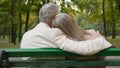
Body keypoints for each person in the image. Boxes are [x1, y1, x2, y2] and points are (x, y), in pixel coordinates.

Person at [20, 2, 112, 67]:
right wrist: (100, 40)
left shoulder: (26, 35)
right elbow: (81, 48)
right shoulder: (54, 33)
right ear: (53, 18)